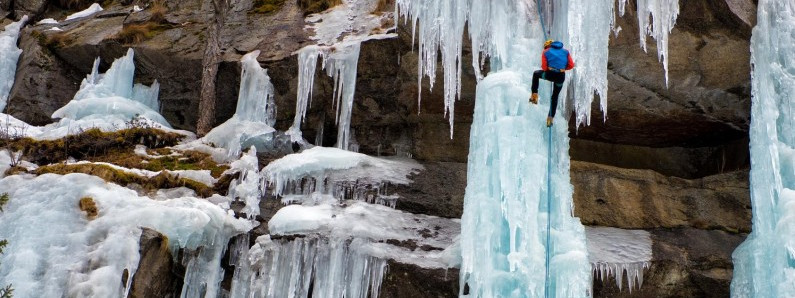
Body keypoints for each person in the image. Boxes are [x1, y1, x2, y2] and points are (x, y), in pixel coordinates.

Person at [529, 39, 575, 127]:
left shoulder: (546, 52)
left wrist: (551, 69)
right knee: (555, 96)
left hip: (550, 74)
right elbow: (571, 65)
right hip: (560, 77)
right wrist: (562, 69)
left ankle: (534, 96)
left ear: (547, 46)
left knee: (536, 74)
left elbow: (544, 67)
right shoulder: (566, 52)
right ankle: (550, 118)